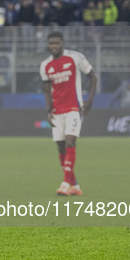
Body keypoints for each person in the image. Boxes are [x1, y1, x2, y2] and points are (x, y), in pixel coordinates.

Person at [40, 31, 96, 196]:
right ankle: (75, 185)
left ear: (63, 43)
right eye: (51, 44)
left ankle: (65, 183)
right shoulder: (45, 66)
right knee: (61, 145)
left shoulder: (75, 58)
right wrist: (49, 110)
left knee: (70, 141)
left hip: (74, 108)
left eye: (57, 43)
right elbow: (47, 90)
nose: (54, 46)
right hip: (57, 111)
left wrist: (90, 101)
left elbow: (93, 77)